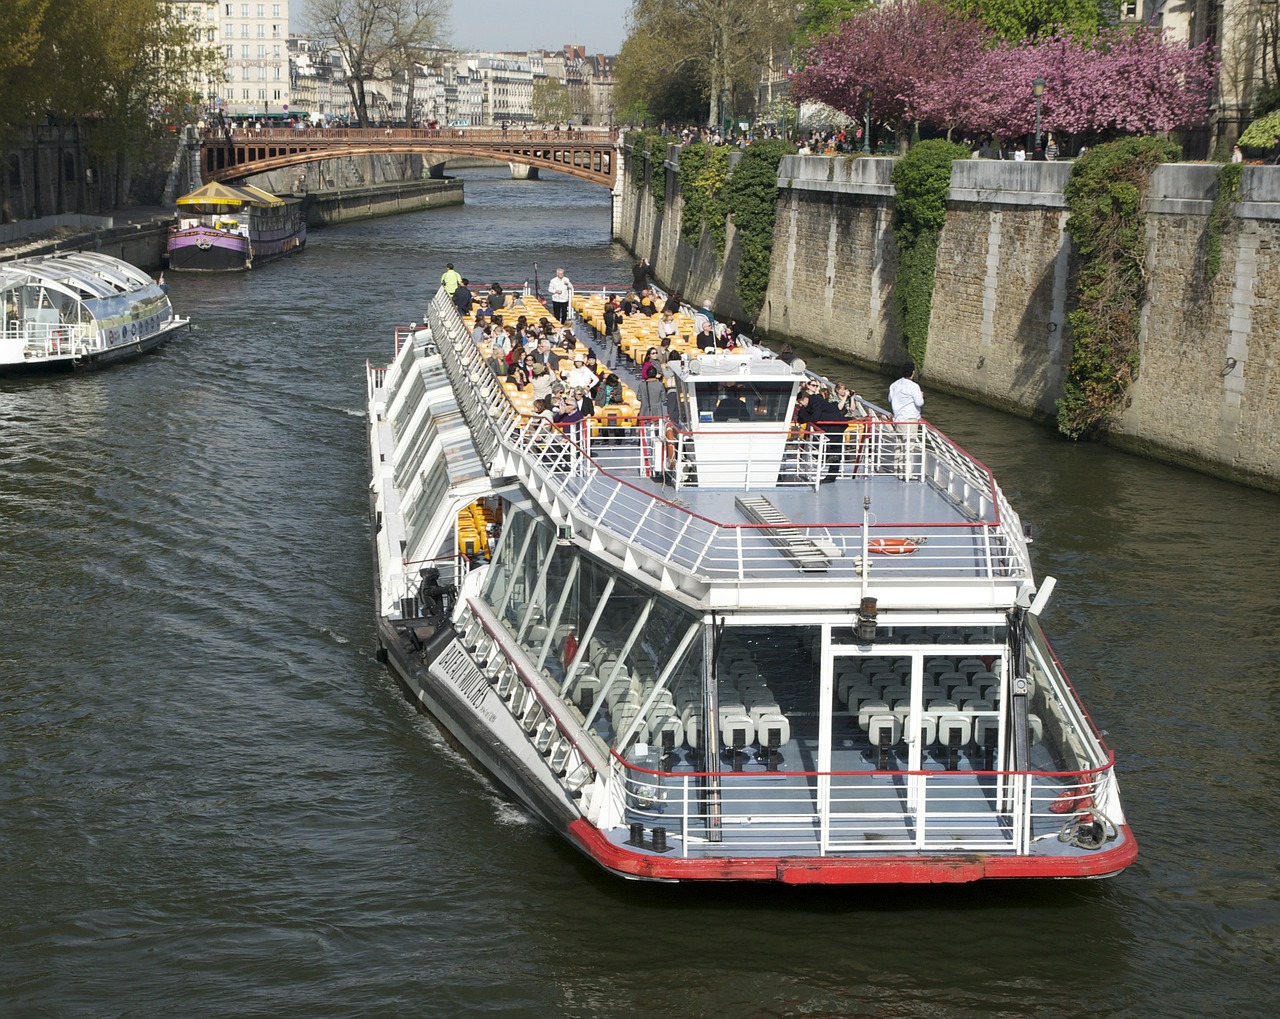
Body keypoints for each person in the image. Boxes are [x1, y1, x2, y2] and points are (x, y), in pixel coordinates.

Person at [887, 362, 926, 474]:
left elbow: (890, 399)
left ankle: (898, 470)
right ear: (913, 372)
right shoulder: (913, 386)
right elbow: (919, 403)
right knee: (908, 446)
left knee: (899, 445)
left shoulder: (894, 385)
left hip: (898, 419)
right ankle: (907, 473)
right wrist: (921, 396)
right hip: (910, 419)